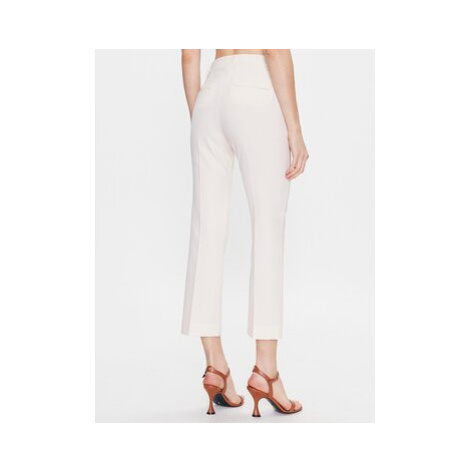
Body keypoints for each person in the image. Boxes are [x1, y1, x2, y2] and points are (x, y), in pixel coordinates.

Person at [181, 49, 309, 417]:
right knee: (267, 225)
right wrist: (295, 130)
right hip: (255, 86)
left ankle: (215, 366)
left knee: (206, 230)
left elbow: (189, 55)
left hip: (210, 95)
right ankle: (266, 371)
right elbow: (274, 49)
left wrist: (200, 118)